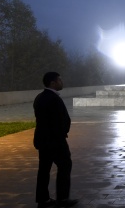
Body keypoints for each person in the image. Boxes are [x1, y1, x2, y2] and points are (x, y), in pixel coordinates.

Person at [33, 72, 78, 208]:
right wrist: (63, 132)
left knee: (44, 170)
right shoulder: (54, 99)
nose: (61, 82)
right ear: (53, 83)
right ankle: (63, 198)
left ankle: (43, 199)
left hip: (42, 140)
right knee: (65, 166)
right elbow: (59, 121)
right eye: (59, 80)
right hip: (56, 141)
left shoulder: (39, 97)